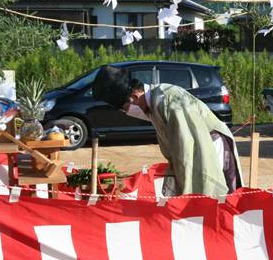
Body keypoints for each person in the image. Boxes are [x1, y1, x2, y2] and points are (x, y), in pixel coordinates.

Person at [92, 65, 243, 196]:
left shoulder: (169, 99)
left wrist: (187, 190)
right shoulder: (153, 106)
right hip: (196, 147)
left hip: (209, 146)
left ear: (134, 96)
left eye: (126, 109)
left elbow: (187, 145)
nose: (128, 113)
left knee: (214, 198)